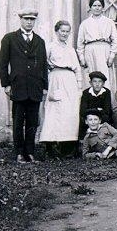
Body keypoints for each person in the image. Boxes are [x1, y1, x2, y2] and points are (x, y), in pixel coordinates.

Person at [0, 7, 48, 164]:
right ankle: (19, 153)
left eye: (32, 19)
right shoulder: (10, 38)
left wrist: (44, 86)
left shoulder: (39, 41)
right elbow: (2, 63)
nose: (29, 22)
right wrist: (6, 84)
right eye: (26, 19)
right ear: (21, 20)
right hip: (18, 86)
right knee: (18, 121)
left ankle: (30, 152)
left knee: (33, 122)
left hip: (35, 87)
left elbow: (43, 65)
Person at [38, 20, 84, 158]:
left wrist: (79, 85)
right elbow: (42, 65)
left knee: (70, 112)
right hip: (56, 79)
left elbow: (77, 68)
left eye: (67, 31)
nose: (64, 34)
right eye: (62, 31)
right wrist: (46, 85)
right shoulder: (50, 47)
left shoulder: (71, 49)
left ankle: (67, 147)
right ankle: (51, 146)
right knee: (54, 112)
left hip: (70, 81)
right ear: (57, 31)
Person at [77, 0, 117, 93]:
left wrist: (111, 56)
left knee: (105, 76)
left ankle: (106, 99)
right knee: (91, 76)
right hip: (90, 51)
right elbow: (80, 42)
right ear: (90, 7)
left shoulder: (109, 22)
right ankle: (91, 100)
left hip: (104, 51)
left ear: (103, 7)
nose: (97, 8)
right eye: (94, 5)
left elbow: (115, 40)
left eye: (99, 5)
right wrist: (82, 58)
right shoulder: (85, 23)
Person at [78, 70, 113, 142]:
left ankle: (104, 140)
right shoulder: (86, 93)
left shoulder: (106, 92)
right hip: (89, 116)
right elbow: (83, 111)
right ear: (90, 83)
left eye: (100, 82)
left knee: (106, 119)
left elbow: (107, 110)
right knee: (84, 120)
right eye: (94, 81)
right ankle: (83, 141)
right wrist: (98, 110)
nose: (97, 84)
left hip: (102, 117)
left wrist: (92, 110)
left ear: (103, 83)